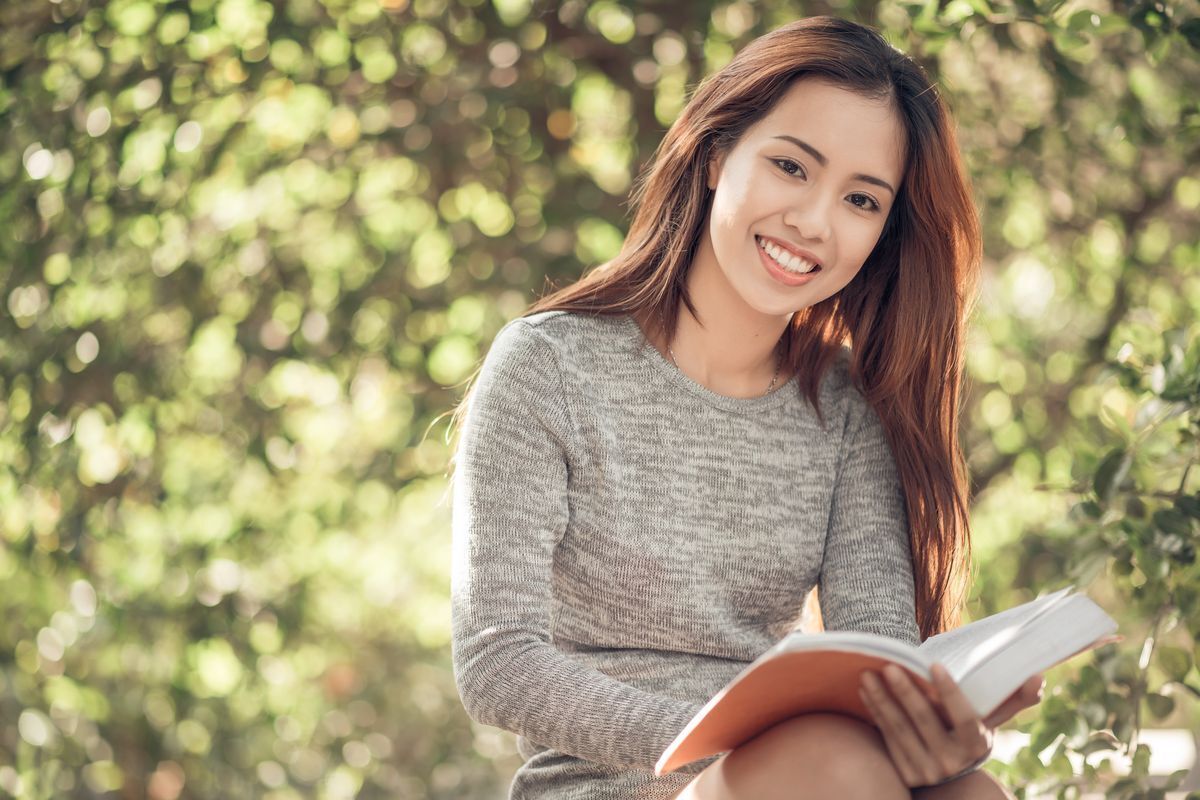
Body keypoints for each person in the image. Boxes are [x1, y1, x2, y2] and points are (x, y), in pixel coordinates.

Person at [449, 15, 1044, 800]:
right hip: (615, 783)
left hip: (810, 769)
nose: (813, 221)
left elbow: (877, 657)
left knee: (970, 794)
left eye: (861, 200)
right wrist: (734, 735)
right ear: (715, 151)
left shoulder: (845, 412)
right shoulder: (548, 366)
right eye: (792, 166)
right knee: (830, 764)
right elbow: (498, 663)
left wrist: (932, 737)